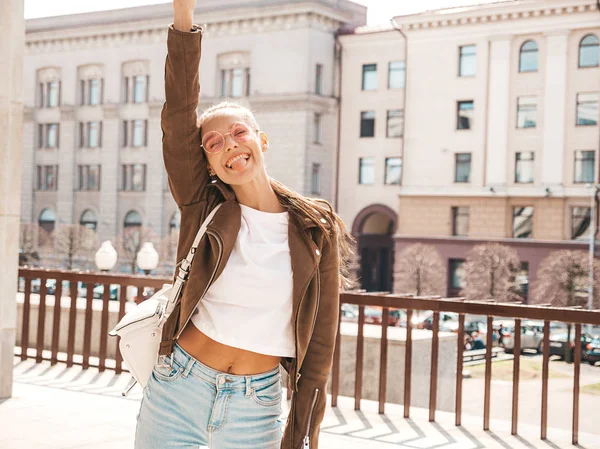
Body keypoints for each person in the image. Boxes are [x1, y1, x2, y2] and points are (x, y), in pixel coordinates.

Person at [134, 1, 354, 448]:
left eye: (239, 133)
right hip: (179, 388)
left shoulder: (316, 227)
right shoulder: (205, 207)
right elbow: (178, 118)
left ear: (261, 140)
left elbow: (320, 347)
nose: (229, 145)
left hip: (256, 408)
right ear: (209, 165)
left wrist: (303, 433)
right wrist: (183, 16)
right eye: (213, 144)